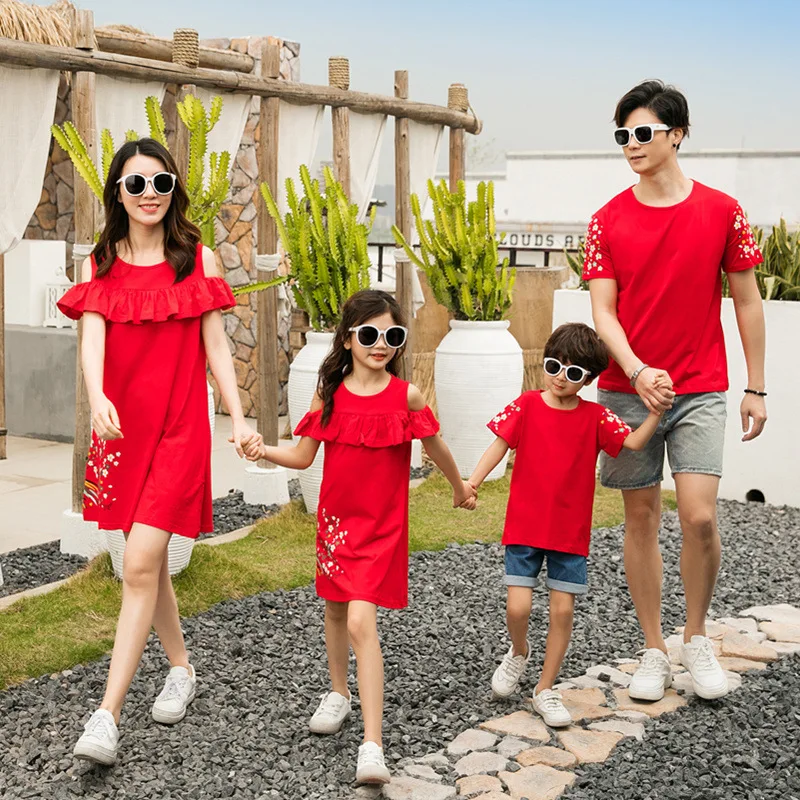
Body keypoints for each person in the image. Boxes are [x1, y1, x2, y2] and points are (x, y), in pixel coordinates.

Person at [57, 138, 257, 764]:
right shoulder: (98, 263)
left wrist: (238, 415)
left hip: (178, 430)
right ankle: (181, 667)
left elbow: (218, 348)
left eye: (161, 184)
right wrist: (96, 399)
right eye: (136, 184)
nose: (149, 195)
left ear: (175, 191)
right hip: (119, 431)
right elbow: (91, 343)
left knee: (140, 562)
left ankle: (105, 716)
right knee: (145, 564)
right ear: (117, 190)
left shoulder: (199, 259)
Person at [242, 289, 476, 785]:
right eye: (369, 335)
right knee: (334, 608)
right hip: (336, 524)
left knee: (361, 622)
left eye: (393, 336)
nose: (381, 345)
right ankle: (339, 692)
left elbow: (437, 446)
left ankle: (372, 744)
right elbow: (304, 457)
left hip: (382, 528)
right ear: (348, 340)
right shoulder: (330, 394)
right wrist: (264, 449)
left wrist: (461, 488)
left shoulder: (405, 395)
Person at [583, 80, 767, 701]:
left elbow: (747, 301)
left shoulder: (723, 211)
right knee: (639, 517)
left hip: (700, 388)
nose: (631, 146)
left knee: (700, 516)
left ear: (677, 134)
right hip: (628, 389)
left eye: (643, 133)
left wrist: (756, 387)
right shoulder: (605, 219)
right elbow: (603, 313)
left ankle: (696, 637)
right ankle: (654, 648)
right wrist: (637, 370)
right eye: (622, 136)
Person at [468, 324, 660, 727]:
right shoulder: (525, 405)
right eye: (554, 365)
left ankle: (545, 687)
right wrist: (471, 482)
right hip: (524, 529)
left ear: (588, 379)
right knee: (517, 607)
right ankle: (518, 651)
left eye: (574, 374)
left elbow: (633, 444)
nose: (560, 377)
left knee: (562, 611)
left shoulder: (596, 417)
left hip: (570, 536)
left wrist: (657, 413)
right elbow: (499, 445)